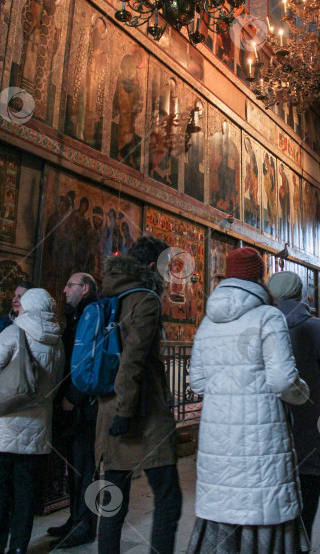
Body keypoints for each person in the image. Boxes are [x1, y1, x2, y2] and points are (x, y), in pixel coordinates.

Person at [187, 247, 310, 554]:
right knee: (262, 506)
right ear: (259, 277)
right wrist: (303, 393)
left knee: (224, 507)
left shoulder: (208, 321)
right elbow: (283, 380)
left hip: (219, 437)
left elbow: (197, 382)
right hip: (261, 438)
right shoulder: (268, 315)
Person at [95, 235, 181, 554]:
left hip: (110, 410)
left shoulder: (110, 294)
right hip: (140, 415)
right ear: (150, 266)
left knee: (113, 503)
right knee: (169, 501)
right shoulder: (144, 299)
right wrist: (125, 410)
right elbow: (132, 359)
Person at [267, 271, 320, 545]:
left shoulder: (258, 325)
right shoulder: (314, 326)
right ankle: (301, 541)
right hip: (307, 417)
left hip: (269, 420)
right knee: (308, 482)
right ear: (300, 294)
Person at [0, 288, 64, 554]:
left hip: (6, 427)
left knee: (2, 496)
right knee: (25, 496)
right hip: (38, 429)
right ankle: (18, 549)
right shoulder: (57, 341)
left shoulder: (13, 332)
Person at [47, 273, 99, 547]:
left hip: (84, 406)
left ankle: (86, 525)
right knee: (75, 467)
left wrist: (74, 396)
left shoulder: (91, 315)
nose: (65, 290)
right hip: (71, 405)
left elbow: (89, 358)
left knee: (85, 468)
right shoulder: (77, 315)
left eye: (70, 285)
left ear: (85, 288)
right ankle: (75, 518)